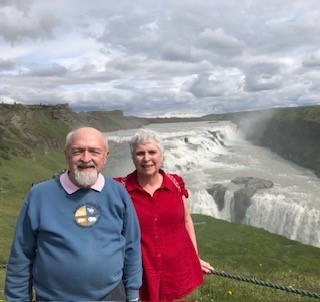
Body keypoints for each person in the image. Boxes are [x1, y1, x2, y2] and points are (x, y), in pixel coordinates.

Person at [5, 127, 142, 302]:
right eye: (77, 151)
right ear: (67, 154)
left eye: (94, 151)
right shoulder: (39, 195)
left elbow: (131, 246)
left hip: (111, 296)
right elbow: (21, 254)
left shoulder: (118, 193)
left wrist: (132, 295)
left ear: (105, 156)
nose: (86, 158)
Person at [114, 128, 213, 302]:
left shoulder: (175, 182)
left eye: (152, 152)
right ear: (132, 158)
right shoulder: (119, 188)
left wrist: (195, 257)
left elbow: (186, 220)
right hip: (141, 272)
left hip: (177, 269)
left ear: (161, 155)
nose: (146, 158)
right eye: (140, 153)